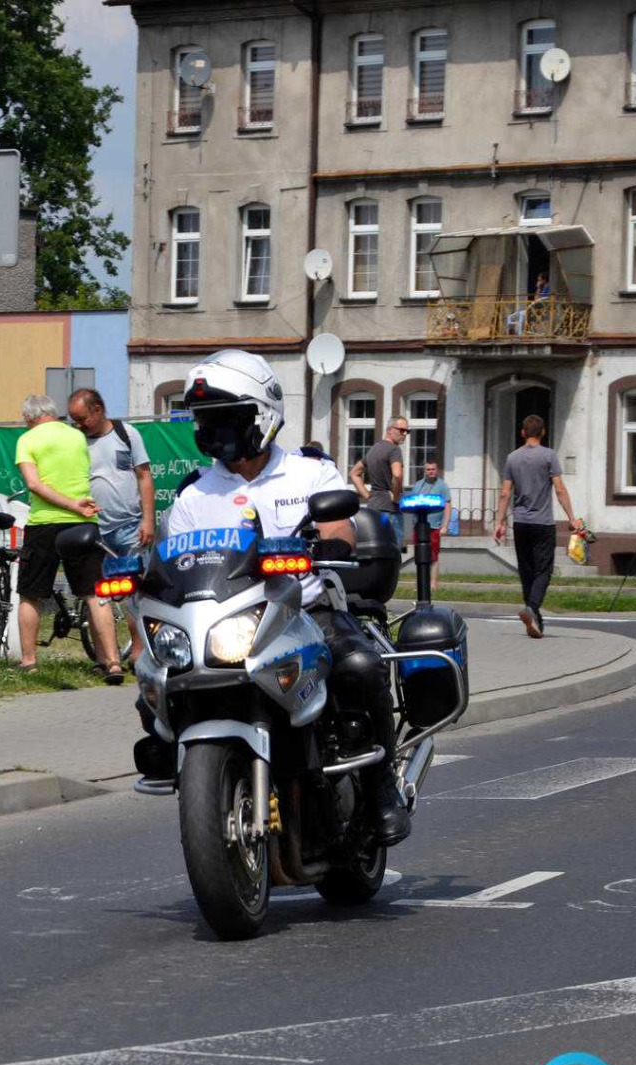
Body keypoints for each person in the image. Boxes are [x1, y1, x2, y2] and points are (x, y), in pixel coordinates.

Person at [139, 349, 409, 845]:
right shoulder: (194, 494)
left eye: (226, 418)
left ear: (261, 416)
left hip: (304, 611)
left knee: (359, 668)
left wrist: (326, 543)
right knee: (154, 678)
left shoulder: (308, 472)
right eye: (205, 420)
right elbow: (167, 560)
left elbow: (340, 530)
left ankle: (381, 787)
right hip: (225, 623)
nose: (213, 430)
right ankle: (178, 762)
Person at [13, 393, 121, 681]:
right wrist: (76, 505)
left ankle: (28, 661)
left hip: (45, 523)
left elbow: (34, 484)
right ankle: (111, 662)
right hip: (83, 523)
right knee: (95, 594)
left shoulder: (28, 440)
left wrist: (69, 504)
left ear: (29, 418)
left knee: (31, 594)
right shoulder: (76, 436)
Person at [67, 386, 154, 668]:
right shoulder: (77, 442)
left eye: (81, 419)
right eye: (73, 420)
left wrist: (148, 519)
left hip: (130, 527)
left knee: (133, 592)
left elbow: (144, 476)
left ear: (98, 410)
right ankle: (107, 656)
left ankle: (139, 653)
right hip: (94, 531)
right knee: (98, 595)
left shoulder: (126, 434)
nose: (78, 425)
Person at [493, 414, 585, 639]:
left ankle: (535, 619)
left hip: (521, 523)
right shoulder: (549, 456)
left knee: (526, 570)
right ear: (543, 432)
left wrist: (500, 522)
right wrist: (572, 517)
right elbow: (560, 489)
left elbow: (505, 492)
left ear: (523, 433)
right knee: (544, 570)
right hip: (543, 523)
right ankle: (532, 608)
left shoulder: (512, 458)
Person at [349, 415, 408, 544]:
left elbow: (354, 473)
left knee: (377, 551)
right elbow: (397, 475)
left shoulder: (374, 449)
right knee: (392, 553)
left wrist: (367, 495)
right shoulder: (394, 450)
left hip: (373, 509)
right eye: (401, 430)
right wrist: (396, 498)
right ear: (389, 430)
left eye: (407, 431)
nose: (404, 434)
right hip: (390, 510)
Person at [410, 457, 452, 592]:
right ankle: (420, 584)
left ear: (437, 470)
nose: (430, 472)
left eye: (433, 469)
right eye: (428, 469)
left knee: (433, 556)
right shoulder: (418, 485)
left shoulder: (442, 486)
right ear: (424, 471)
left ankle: (433, 585)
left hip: (434, 527)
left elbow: (447, 505)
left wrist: (445, 526)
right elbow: (412, 504)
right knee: (420, 556)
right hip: (419, 526)